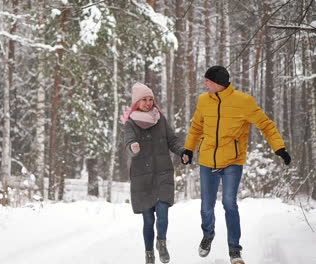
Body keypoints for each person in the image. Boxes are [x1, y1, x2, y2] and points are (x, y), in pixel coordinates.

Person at [181, 65, 292, 264]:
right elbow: (197, 126)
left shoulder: (244, 102)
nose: (205, 84)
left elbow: (265, 124)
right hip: (207, 160)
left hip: (232, 161)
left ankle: (234, 249)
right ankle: (208, 235)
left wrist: (279, 148)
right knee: (206, 206)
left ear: (217, 83)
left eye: (208, 81)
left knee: (229, 204)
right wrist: (188, 149)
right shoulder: (204, 101)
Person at [122, 82, 184, 264]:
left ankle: (161, 243)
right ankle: (149, 254)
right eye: (144, 100)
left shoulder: (160, 120)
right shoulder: (130, 123)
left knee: (163, 212)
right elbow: (128, 142)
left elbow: (172, 141)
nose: (148, 103)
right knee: (148, 219)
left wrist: (182, 152)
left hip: (163, 172)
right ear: (137, 102)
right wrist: (133, 147)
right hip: (142, 177)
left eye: (151, 99)